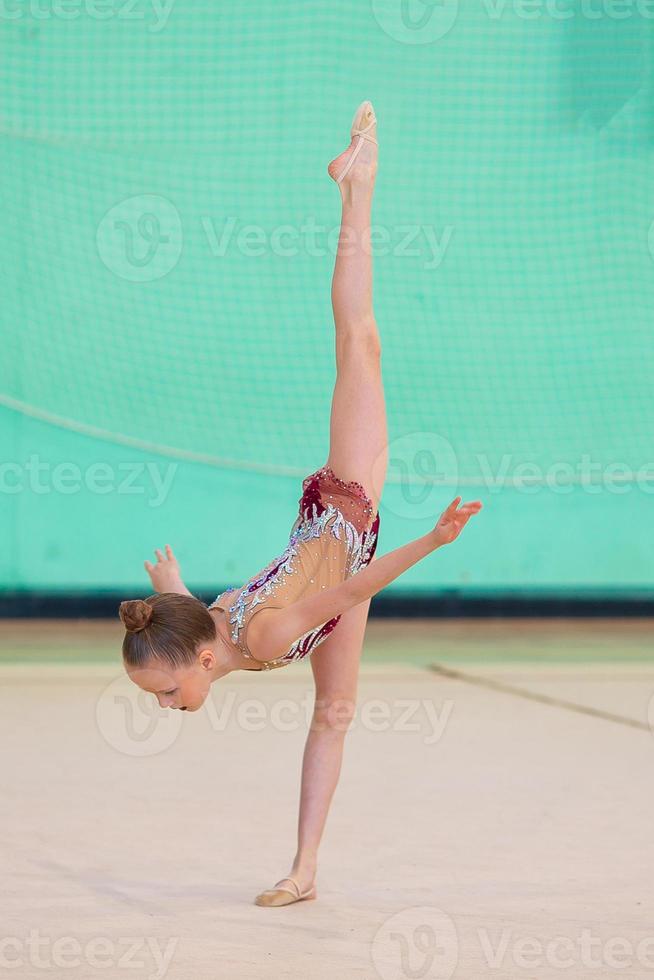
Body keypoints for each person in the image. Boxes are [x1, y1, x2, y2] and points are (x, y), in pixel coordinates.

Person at [119, 101, 483, 907]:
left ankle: (358, 187)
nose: (169, 709)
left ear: (201, 662)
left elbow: (353, 590)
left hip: (349, 509)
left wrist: (433, 542)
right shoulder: (205, 628)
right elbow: (193, 615)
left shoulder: (260, 632)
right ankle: (305, 870)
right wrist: (171, 586)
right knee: (337, 712)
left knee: (358, 339)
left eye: (167, 694)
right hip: (332, 562)